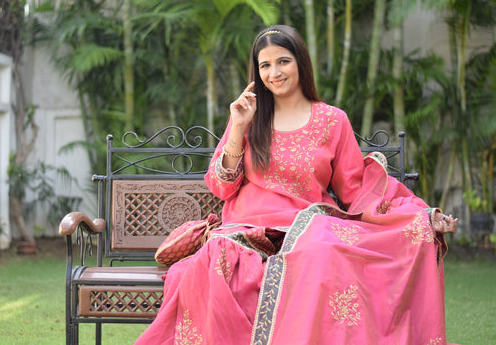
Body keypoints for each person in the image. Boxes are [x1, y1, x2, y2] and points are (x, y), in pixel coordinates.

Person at [134, 24, 458, 345]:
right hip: (245, 233)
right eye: (265, 65)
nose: (274, 72)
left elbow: (356, 190)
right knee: (217, 261)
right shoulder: (249, 117)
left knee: (323, 252)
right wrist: (237, 128)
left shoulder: (333, 120)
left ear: (301, 62)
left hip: (306, 232)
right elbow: (222, 188)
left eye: (283, 61)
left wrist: (420, 217)